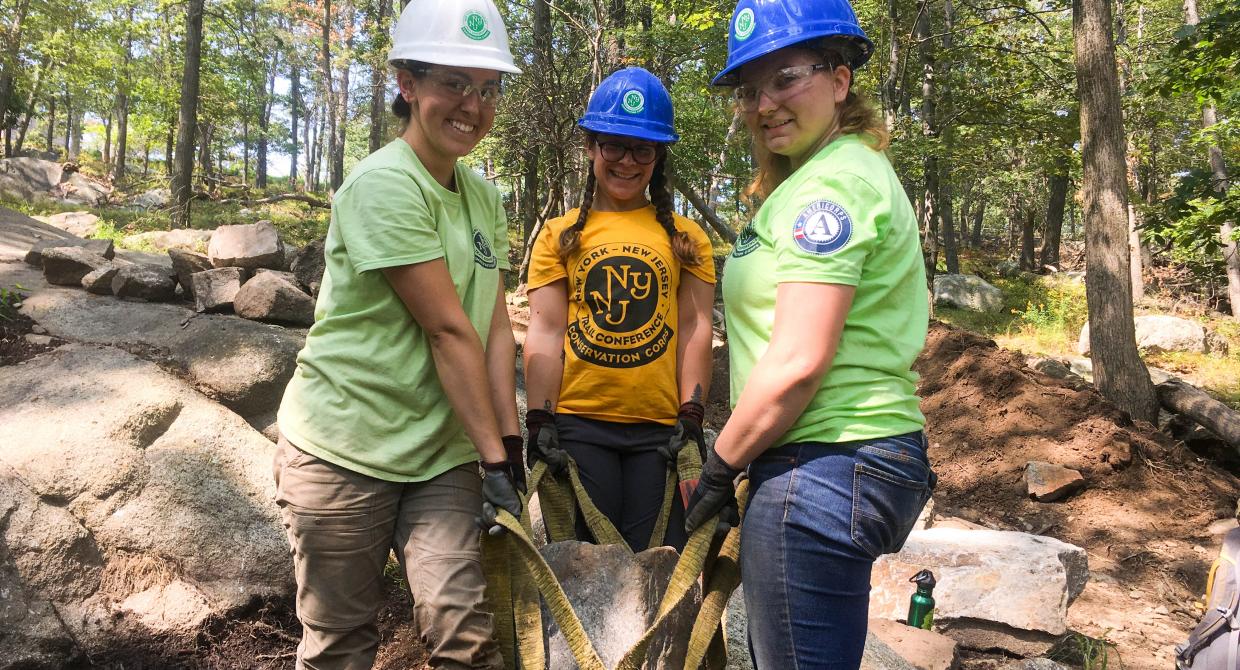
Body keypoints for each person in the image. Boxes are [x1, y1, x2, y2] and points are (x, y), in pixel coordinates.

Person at [683, 0, 937, 667]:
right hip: (830, 462)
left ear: (840, 78)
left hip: (823, 465)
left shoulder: (834, 188)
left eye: (786, 76)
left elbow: (797, 361)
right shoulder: (811, 180)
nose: (764, 103)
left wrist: (721, 464)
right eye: (750, 89)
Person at [271, 1, 525, 667]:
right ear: (408, 85)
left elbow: (495, 327)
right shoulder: (384, 183)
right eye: (453, 83)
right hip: (343, 448)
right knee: (341, 643)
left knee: (466, 636)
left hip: (441, 452)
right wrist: (493, 460)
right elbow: (447, 330)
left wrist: (510, 441)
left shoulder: (483, 198)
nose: (472, 104)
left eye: (488, 88)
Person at [524, 67, 716, 553]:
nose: (627, 161)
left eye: (642, 149)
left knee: (660, 567)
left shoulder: (686, 238)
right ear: (591, 148)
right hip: (579, 426)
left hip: (661, 432)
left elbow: (695, 328)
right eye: (614, 145)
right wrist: (540, 421)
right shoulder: (559, 236)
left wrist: (691, 417)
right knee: (590, 570)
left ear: (658, 156)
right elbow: (545, 333)